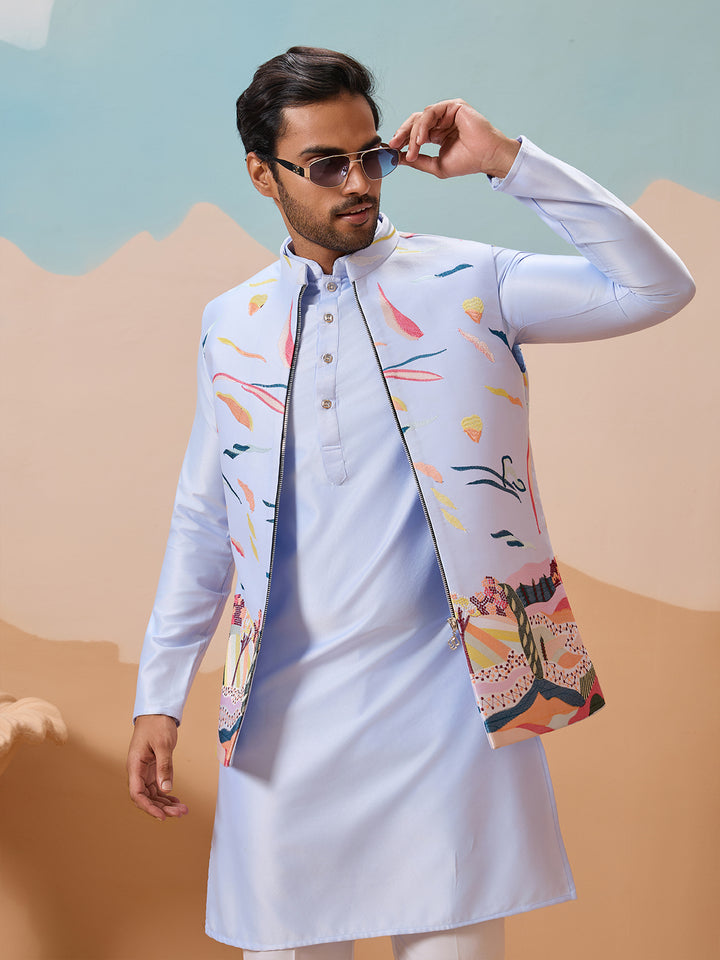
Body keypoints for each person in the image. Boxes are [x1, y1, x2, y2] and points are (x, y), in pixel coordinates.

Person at [127, 46, 694, 960]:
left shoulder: (470, 281)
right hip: (282, 728)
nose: (358, 183)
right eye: (324, 165)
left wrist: (511, 162)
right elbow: (205, 518)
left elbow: (658, 287)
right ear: (260, 175)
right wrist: (160, 694)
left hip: (449, 716)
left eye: (370, 156)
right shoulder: (229, 321)